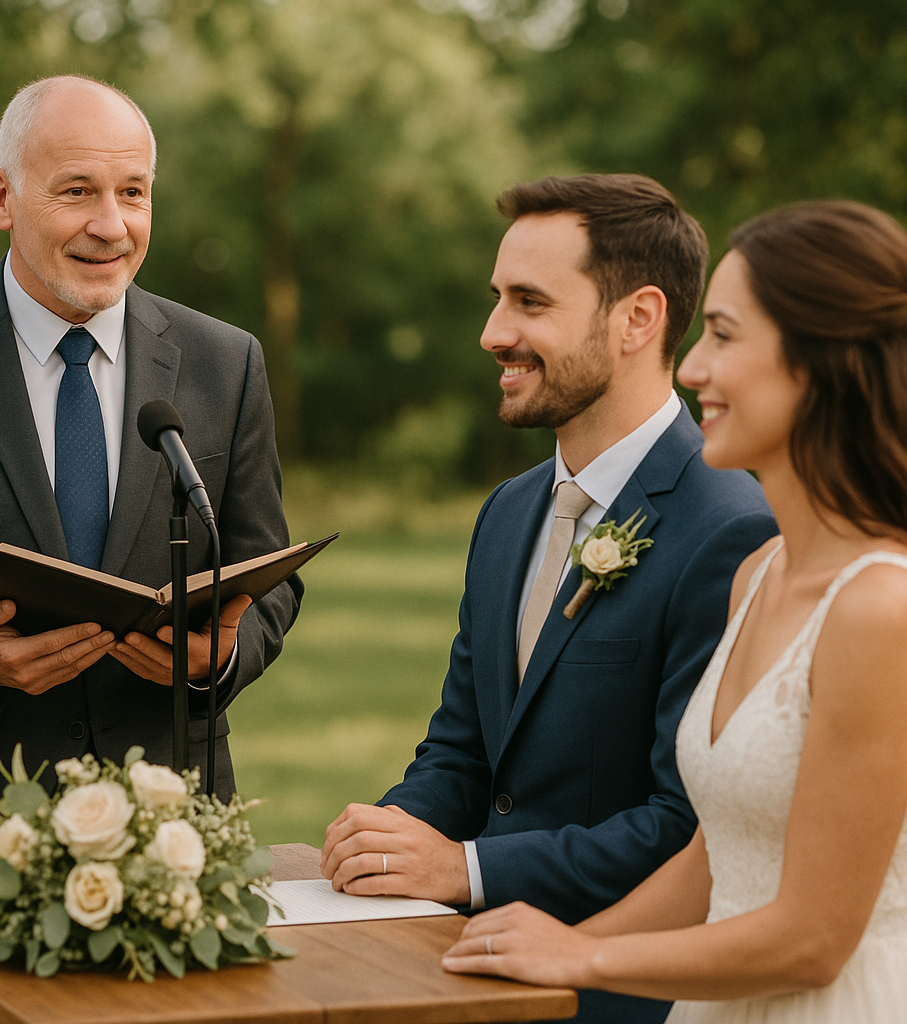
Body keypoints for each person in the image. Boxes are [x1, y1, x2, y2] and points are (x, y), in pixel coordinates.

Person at [320, 173, 776, 1024]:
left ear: (638, 319)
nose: (493, 333)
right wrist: (384, 838)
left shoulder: (730, 528)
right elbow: (462, 752)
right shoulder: (509, 511)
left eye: (529, 302)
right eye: (497, 298)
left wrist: (465, 869)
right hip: (476, 973)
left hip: (625, 995)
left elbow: (689, 826)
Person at [441, 198, 907, 1022]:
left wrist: (586, 955)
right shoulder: (759, 575)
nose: (691, 369)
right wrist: (546, 967)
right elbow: (710, 856)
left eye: (723, 335)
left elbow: (815, 939)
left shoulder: (879, 607)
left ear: (821, 363)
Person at [0, 75, 301, 866]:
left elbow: (267, 573)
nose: (112, 226)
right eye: (77, 191)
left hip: (172, 823)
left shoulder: (227, 362)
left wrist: (221, 656)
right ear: (2, 197)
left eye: (133, 193)